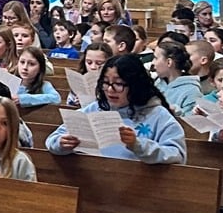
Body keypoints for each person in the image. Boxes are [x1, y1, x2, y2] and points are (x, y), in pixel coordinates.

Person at [47, 54, 186, 163]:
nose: (110, 90)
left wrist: (138, 145)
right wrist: (61, 143)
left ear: (135, 85)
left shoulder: (157, 115)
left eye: (118, 84)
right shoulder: (96, 108)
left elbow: (177, 155)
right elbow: (53, 139)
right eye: (105, 83)